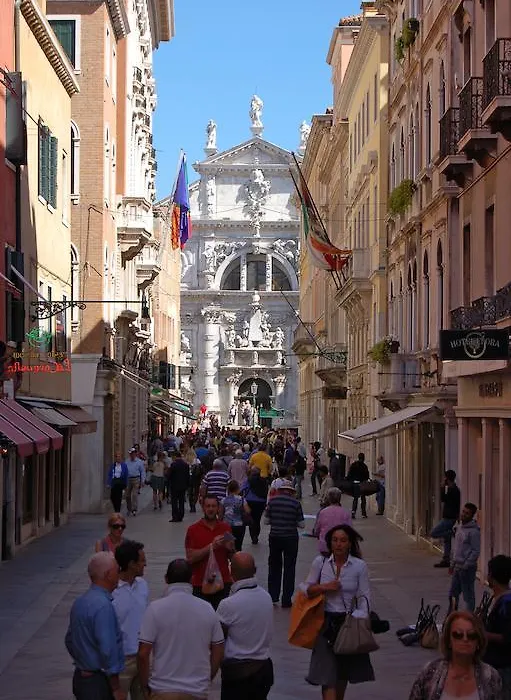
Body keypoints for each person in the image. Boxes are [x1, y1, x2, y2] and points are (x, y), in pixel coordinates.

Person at [138, 559, 224, 700]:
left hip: (162, 690)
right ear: (192, 579)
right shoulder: (206, 608)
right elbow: (218, 648)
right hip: (196, 691)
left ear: (166, 579)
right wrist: (207, 678)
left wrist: (145, 686)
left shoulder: (155, 609)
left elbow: (143, 653)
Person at [305, 524, 375, 698]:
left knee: (342, 674)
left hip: (347, 624)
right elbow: (307, 589)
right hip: (325, 623)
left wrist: (359, 620)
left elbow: (364, 598)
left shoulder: (359, 566)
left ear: (350, 543)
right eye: (335, 540)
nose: (338, 544)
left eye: (343, 540)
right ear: (330, 543)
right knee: (327, 675)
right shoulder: (320, 563)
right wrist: (325, 587)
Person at [65, 552, 125, 700]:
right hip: (97, 682)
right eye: (117, 571)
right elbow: (108, 649)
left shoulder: (80, 602)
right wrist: (116, 687)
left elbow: (70, 640)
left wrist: (83, 660)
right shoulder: (103, 606)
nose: (119, 575)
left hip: (82, 678)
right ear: (108, 575)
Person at [217, 552, 274, 700]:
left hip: (238, 674)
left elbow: (218, 638)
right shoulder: (266, 597)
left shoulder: (228, 604)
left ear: (231, 573)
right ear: (255, 570)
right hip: (264, 668)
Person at [408, 611, 502, 700]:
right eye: (458, 635)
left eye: (471, 635)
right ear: (449, 641)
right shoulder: (430, 673)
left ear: (478, 642)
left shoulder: (490, 677)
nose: (465, 639)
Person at [185, 495, 235, 609]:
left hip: (223, 583)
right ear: (203, 508)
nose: (211, 509)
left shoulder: (226, 528)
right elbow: (190, 558)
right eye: (208, 506)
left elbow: (232, 557)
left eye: (213, 506)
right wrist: (212, 546)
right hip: (200, 584)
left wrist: (231, 549)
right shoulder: (193, 530)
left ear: (218, 508)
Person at [113, 541, 148, 700]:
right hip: (121, 660)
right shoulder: (112, 590)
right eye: (142, 561)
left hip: (142, 657)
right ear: (131, 564)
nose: (145, 564)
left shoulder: (143, 585)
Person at [264, 479, 304, 608]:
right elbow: (302, 524)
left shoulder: (272, 502)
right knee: (289, 568)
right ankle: (286, 599)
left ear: (280, 490)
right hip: (291, 538)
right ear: (291, 491)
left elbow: (266, 521)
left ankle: (273, 596)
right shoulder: (296, 503)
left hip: (275, 537)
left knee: (274, 566)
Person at [483, 555, 511, 695]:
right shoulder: (499, 599)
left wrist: (484, 634)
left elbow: (508, 637)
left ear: (491, 577)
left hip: (503, 666)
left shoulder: (506, 603)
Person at [448, 502, 481, 612]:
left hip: (467, 568)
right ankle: (452, 615)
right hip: (457, 566)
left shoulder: (474, 532)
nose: (463, 514)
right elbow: (456, 547)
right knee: (453, 594)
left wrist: (466, 565)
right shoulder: (459, 527)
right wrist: (452, 563)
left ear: (472, 515)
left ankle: (469, 616)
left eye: (467, 513)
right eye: (463, 511)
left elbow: (475, 551)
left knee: (468, 596)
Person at [431, 469, 461, 568]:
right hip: (449, 516)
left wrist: (442, 487)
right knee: (447, 541)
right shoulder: (452, 489)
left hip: (449, 517)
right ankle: (446, 559)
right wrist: (443, 488)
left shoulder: (454, 490)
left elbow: (444, 500)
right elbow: (444, 499)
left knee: (434, 533)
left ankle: (451, 533)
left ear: (447, 479)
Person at [313, 488, 352, 556]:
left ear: (329, 499)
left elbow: (317, 530)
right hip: (340, 547)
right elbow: (350, 531)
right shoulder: (345, 513)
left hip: (325, 546)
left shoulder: (323, 512)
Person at [220, 480, 251, 552]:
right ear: (237, 489)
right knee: (238, 546)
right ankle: (237, 557)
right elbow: (248, 511)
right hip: (239, 526)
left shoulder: (223, 500)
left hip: (227, 526)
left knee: (228, 546)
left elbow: (220, 514)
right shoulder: (242, 499)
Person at [241, 467, 269, 545]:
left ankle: (253, 536)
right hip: (261, 502)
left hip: (250, 501)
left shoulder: (248, 480)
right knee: (257, 520)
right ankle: (256, 535)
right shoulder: (264, 480)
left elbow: (242, 489)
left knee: (251, 519)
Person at [168, 449, 190, 523]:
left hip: (174, 485)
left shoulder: (173, 465)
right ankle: (181, 515)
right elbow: (187, 476)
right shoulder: (185, 465)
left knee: (174, 501)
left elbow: (169, 475)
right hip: (183, 486)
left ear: (175, 456)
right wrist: (187, 484)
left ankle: (175, 516)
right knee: (181, 501)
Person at [347, 453, 370, 519]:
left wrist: (350, 480)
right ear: (363, 458)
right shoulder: (364, 466)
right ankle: (363, 513)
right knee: (363, 499)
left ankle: (353, 512)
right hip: (362, 484)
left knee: (355, 498)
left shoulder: (354, 465)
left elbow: (349, 474)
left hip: (355, 483)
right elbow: (367, 476)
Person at [126, 449, 145, 517]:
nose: (131, 455)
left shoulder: (139, 462)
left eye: (132, 453)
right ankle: (129, 508)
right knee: (127, 495)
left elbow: (142, 471)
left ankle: (134, 509)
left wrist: (142, 481)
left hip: (136, 479)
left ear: (135, 454)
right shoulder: (127, 461)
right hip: (128, 479)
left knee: (134, 494)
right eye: (130, 454)